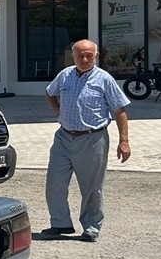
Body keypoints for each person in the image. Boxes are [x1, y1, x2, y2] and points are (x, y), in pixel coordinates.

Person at [44, 39, 131, 242]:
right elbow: (49, 92)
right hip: (63, 137)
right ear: (73, 56)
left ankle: (91, 227)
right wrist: (57, 110)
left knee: (92, 187)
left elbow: (120, 111)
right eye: (80, 55)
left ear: (96, 56)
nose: (84, 59)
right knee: (55, 183)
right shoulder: (65, 75)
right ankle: (61, 223)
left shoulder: (104, 79)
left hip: (92, 139)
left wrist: (124, 141)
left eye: (89, 56)